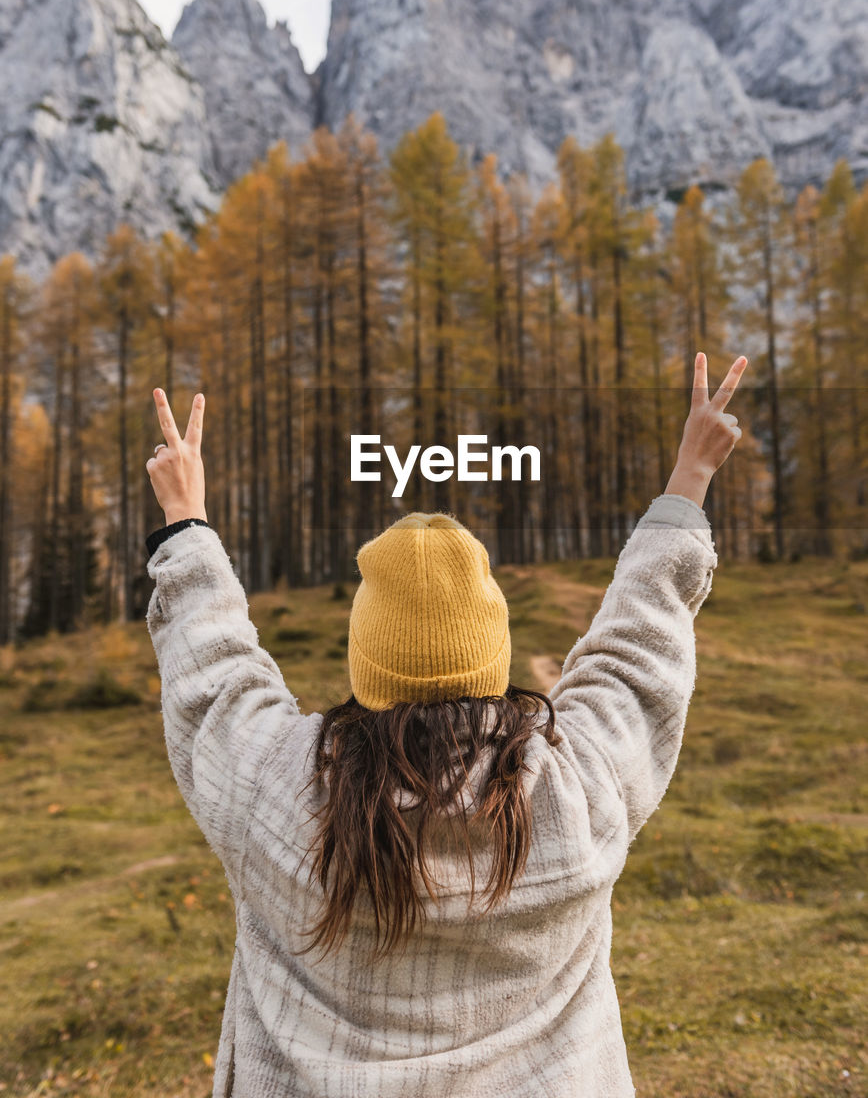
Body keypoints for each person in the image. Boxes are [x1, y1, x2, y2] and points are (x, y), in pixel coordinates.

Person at [144, 350, 748, 1098]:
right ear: (492, 656)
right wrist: (689, 481)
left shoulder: (274, 787)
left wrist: (186, 521)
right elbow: (637, 651)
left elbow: (213, 667)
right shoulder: (577, 789)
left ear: (367, 661)